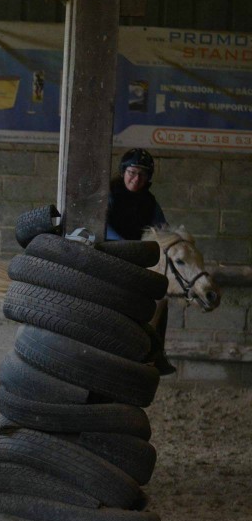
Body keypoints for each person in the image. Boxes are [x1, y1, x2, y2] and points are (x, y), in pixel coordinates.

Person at [106, 148, 173, 374]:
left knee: (161, 298)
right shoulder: (110, 193)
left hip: (137, 257)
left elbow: (163, 229)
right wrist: (124, 244)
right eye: (132, 173)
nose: (136, 179)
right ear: (124, 172)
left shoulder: (150, 202)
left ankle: (157, 352)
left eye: (142, 175)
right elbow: (100, 222)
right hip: (107, 250)